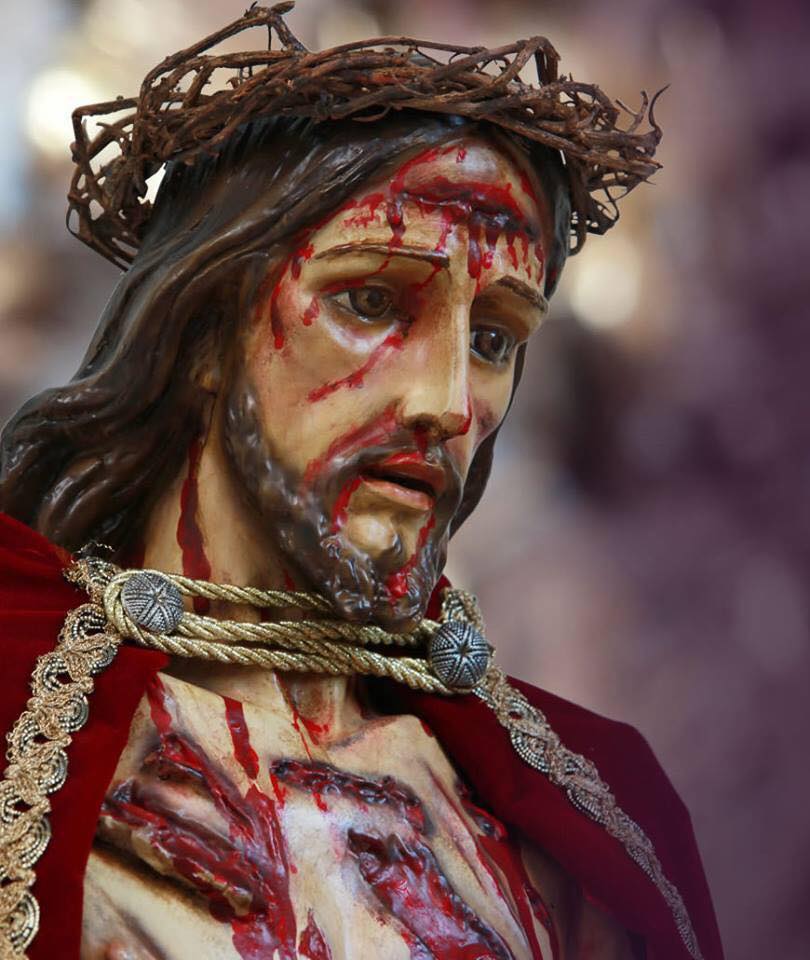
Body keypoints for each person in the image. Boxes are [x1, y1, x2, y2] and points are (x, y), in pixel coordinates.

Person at [0, 5, 723, 959]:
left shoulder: (582, 832)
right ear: (202, 330)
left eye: (493, 339)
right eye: (372, 301)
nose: (448, 403)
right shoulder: (22, 728)